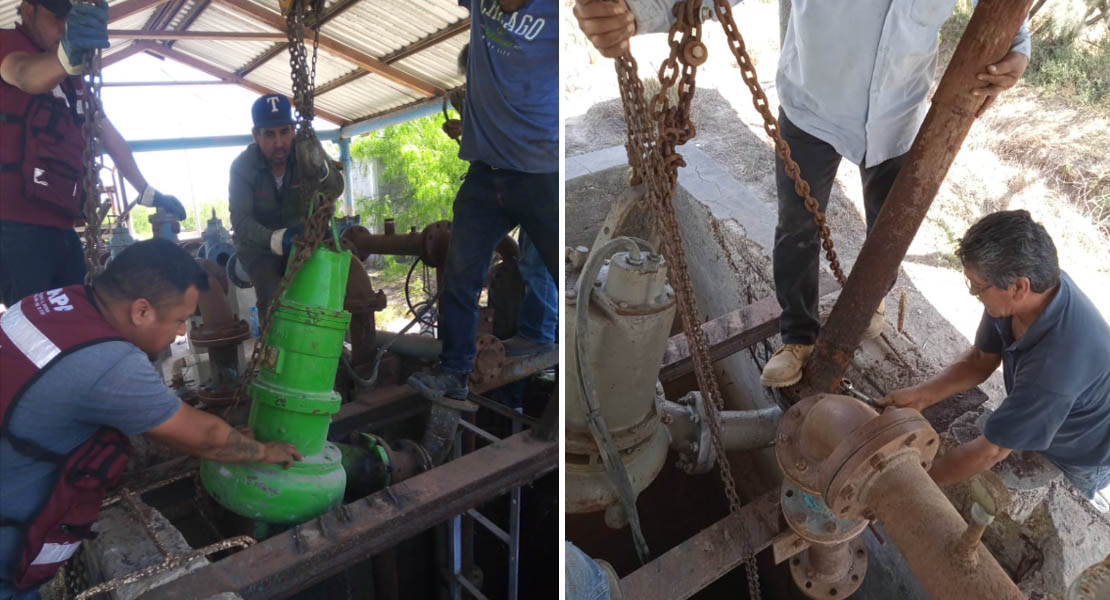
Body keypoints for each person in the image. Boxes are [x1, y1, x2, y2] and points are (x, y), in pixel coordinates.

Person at [573, 0, 1032, 387]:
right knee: (797, 227)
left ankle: (870, 301)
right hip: (813, 110)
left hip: (899, 116)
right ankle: (797, 335)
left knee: (889, 230)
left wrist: (1019, 49)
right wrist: (634, 12)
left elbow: (1008, 11)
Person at [0, 239, 302, 599]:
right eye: (178, 320)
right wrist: (263, 452)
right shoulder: (109, 362)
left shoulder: (48, 303)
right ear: (141, 311)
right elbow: (204, 437)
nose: (180, 332)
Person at [879, 211, 1110, 512]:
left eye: (977, 286)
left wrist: (915, 485)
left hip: (1083, 446)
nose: (974, 294)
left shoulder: (1054, 370)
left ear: (1018, 288)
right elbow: (980, 359)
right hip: (1056, 400)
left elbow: (992, 451)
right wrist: (920, 396)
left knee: (1076, 496)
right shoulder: (1030, 292)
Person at [407, 0, 558, 402]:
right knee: (460, 275)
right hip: (484, 173)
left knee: (560, 274)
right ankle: (455, 372)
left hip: (541, 170)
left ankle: (576, 368)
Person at [0, 0, 187, 308]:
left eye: (68, 21)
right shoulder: (8, 46)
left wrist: (147, 192)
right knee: (33, 327)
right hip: (15, 225)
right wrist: (66, 56)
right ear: (28, 9)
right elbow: (24, 74)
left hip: (61, 225)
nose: (63, 29)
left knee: (78, 317)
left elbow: (109, 135)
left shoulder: (71, 79)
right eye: (56, 18)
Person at [228, 93, 306, 317]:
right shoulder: (242, 167)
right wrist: (277, 239)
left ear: (293, 131)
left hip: (300, 243)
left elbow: (334, 187)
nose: (279, 143)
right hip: (257, 248)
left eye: (285, 132)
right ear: (256, 136)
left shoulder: (306, 154)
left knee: (327, 290)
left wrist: (321, 165)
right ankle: (272, 349)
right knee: (273, 298)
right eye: (269, 135)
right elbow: (241, 222)